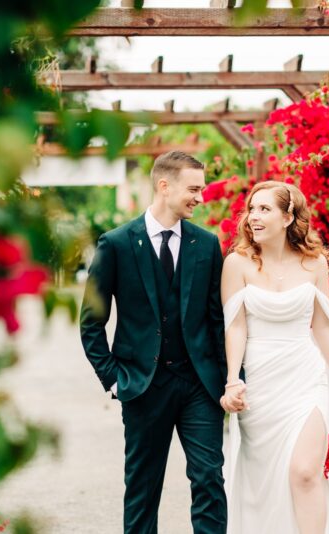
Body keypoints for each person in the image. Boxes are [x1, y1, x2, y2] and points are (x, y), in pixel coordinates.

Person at [80, 151, 227, 534]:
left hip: (199, 384)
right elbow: (91, 323)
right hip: (142, 385)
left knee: (209, 478)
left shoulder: (207, 245)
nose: (200, 196)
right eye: (194, 188)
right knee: (143, 488)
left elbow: (217, 320)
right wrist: (114, 379)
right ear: (165, 186)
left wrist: (229, 378)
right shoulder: (116, 244)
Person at [220, 180, 329, 533]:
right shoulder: (237, 263)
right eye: (252, 209)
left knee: (305, 471)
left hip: (306, 377)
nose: (253, 217)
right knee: (267, 479)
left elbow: (323, 327)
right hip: (261, 384)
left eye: (264, 209)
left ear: (288, 216)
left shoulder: (314, 264)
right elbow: (235, 327)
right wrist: (234, 380)